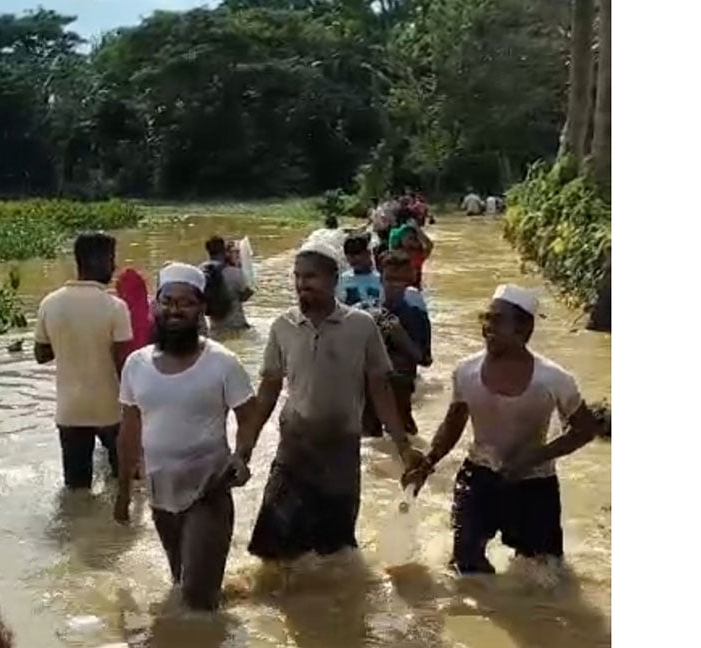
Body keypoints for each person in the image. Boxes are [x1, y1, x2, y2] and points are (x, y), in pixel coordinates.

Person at [237, 239, 425, 562]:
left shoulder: (361, 326)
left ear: (333, 279)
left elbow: (380, 389)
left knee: (334, 556)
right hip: (293, 452)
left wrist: (403, 447)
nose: (301, 284)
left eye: (310, 277)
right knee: (273, 554)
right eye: (297, 276)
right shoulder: (283, 326)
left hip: (340, 453)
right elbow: (268, 390)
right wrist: (244, 451)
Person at [403, 285, 601, 575]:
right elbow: (453, 423)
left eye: (497, 320)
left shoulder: (554, 379)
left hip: (535, 483)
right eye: (485, 319)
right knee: (466, 568)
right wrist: (428, 462)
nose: (487, 327)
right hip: (478, 477)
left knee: (544, 572)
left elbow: (584, 430)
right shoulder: (466, 371)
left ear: (524, 328)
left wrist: (534, 457)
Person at [114, 262, 256, 611]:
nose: (175, 309)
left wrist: (241, 455)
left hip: (208, 488)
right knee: (180, 582)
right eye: (167, 301)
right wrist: (122, 493)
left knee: (195, 599)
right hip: (160, 491)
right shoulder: (136, 364)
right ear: (155, 306)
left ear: (202, 309)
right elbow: (129, 430)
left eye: (186, 302)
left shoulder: (223, 362)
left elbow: (249, 415)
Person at [34, 233, 133, 491]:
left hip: (70, 412)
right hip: (111, 411)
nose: (114, 267)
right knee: (125, 482)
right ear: (95, 260)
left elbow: (41, 355)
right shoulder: (115, 306)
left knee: (76, 490)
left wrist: (69, 339)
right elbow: (123, 364)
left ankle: (79, 529)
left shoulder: (50, 303)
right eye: (111, 259)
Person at [365, 251, 433, 437]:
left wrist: (401, 337)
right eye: (390, 279)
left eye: (401, 280)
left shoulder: (416, 315)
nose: (395, 285)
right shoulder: (367, 314)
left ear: (409, 280)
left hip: (400, 392)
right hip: (368, 394)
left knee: (406, 437)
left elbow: (425, 360)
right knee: (371, 446)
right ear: (380, 277)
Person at [201, 236, 253, 331]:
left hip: (214, 328)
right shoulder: (234, 273)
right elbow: (247, 295)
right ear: (225, 251)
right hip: (236, 326)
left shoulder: (201, 272)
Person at [389, 219, 434, 290]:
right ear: (400, 240)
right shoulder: (395, 254)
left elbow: (429, 245)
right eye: (409, 238)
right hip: (399, 289)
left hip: (415, 289)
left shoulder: (417, 255)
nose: (412, 241)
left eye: (414, 238)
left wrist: (418, 230)